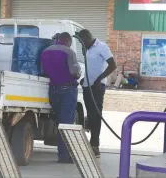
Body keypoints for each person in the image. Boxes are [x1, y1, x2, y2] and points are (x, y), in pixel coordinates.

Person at [40, 32, 81, 163]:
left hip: (52, 90)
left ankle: (63, 153)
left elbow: (43, 71)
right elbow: (75, 72)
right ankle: (64, 156)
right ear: (68, 40)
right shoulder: (69, 52)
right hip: (67, 90)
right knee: (66, 124)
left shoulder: (45, 51)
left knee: (60, 122)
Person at [78, 29, 117, 157]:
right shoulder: (87, 49)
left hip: (97, 87)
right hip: (87, 86)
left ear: (88, 38)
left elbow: (113, 65)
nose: (82, 45)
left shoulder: (102, 47)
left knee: (96, 115)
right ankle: (91, 143)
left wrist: (99, 78)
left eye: (83, 41)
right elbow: (90, 67)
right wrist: (85, 78)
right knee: (90, 115)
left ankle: (95, 145)